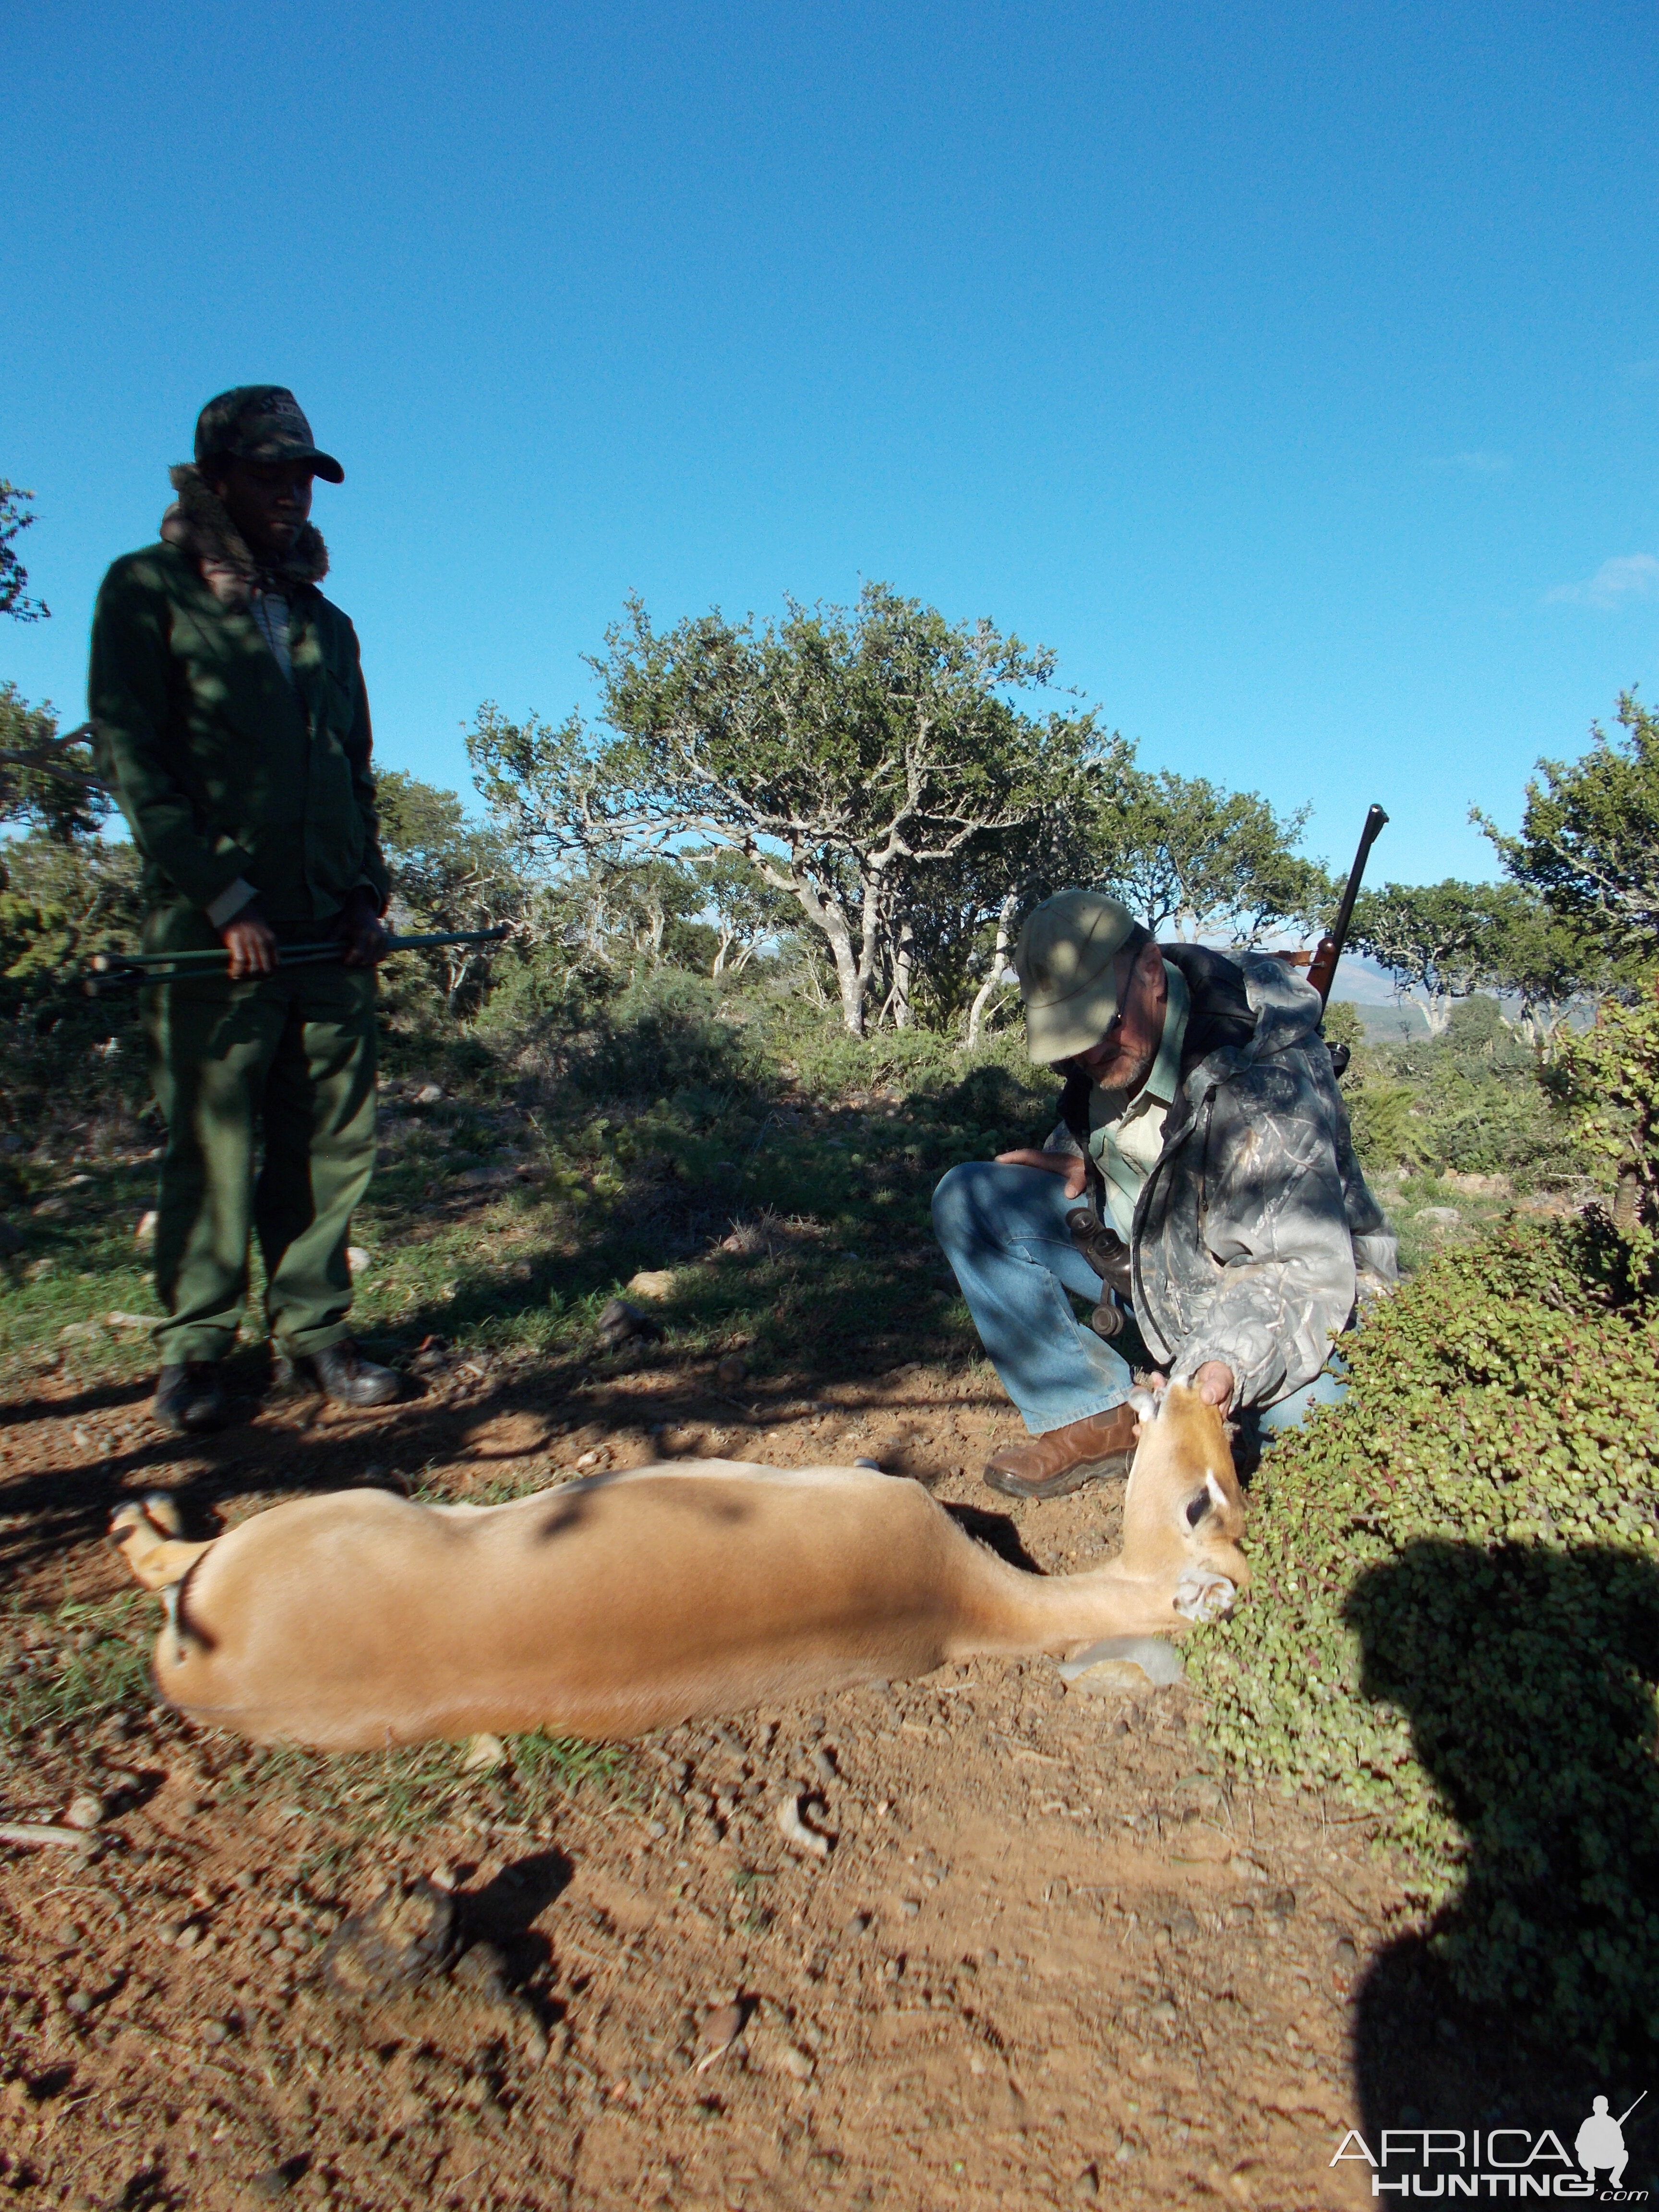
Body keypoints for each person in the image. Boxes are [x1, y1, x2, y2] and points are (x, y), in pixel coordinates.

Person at [90, 386, 401, 1433]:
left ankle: (317, 1334)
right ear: (214, 474)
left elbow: (356, 775)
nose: (290, 494)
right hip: (212, 934)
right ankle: (197, 1353)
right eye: (268, 473)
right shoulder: (145, 592)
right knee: (215, 1145)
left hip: (328, 927)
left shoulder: (328, 624)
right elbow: (136, 763)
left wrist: (367, 892)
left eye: (302, 476)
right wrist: (223, 899)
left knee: (330, 1140)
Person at [933, 890, 1396, 1499]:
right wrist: (1075, 1152)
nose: (1085, 1054)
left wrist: (1217, 1365)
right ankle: (1093, 1416)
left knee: (1314, 1421)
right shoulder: (1119, 1038)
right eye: (1064, 1036)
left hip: (1284, 1290)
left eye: (1097, 1027)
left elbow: (1299, 1268)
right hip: (1159, 1267)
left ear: (1152, 971)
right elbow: (1111, 1112)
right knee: (970, 1197)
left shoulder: (1264, 1080)